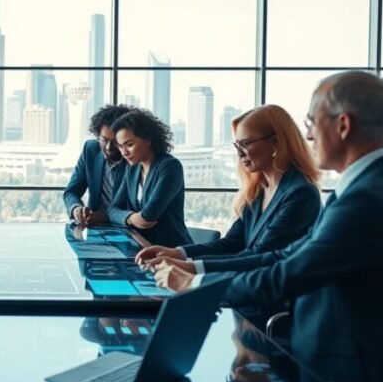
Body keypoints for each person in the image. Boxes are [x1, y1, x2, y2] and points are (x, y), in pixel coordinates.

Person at [155, 71, 383, 382]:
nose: (309, 135)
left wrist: (195, 285)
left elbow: (284, 277)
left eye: (311, 122)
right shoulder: (371, 187)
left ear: (343, 125)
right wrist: (195, 269)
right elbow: (285, 256)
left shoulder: (366, 199)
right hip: (338, 361)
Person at [136, 105, 321, 270]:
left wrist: (190, 266)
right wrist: (177, 253)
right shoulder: (258, 190)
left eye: (246, 144)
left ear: (275, 143)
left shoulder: (300, 194)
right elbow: (231, 244)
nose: (239, 153)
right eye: (237, 145)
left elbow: (260, 257)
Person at [107, 109, 191, 247]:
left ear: (148, 139)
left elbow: (148, 217)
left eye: (129, 145)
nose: (124, 152)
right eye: (120, 146)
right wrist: (131, 217)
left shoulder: (169, 167)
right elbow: (112, 210)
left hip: (171, 250)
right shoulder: (132, 169)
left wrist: (129, 216)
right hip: (141, 245)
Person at [63, 104, 133, 226]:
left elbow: (140, 207)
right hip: (94, 226)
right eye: (104, 140)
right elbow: (71, 192)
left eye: (115, 141)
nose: (109, 147)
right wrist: (76, 209)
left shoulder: (134, 158)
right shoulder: (90, 149)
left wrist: (106, 217)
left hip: (127, 227)